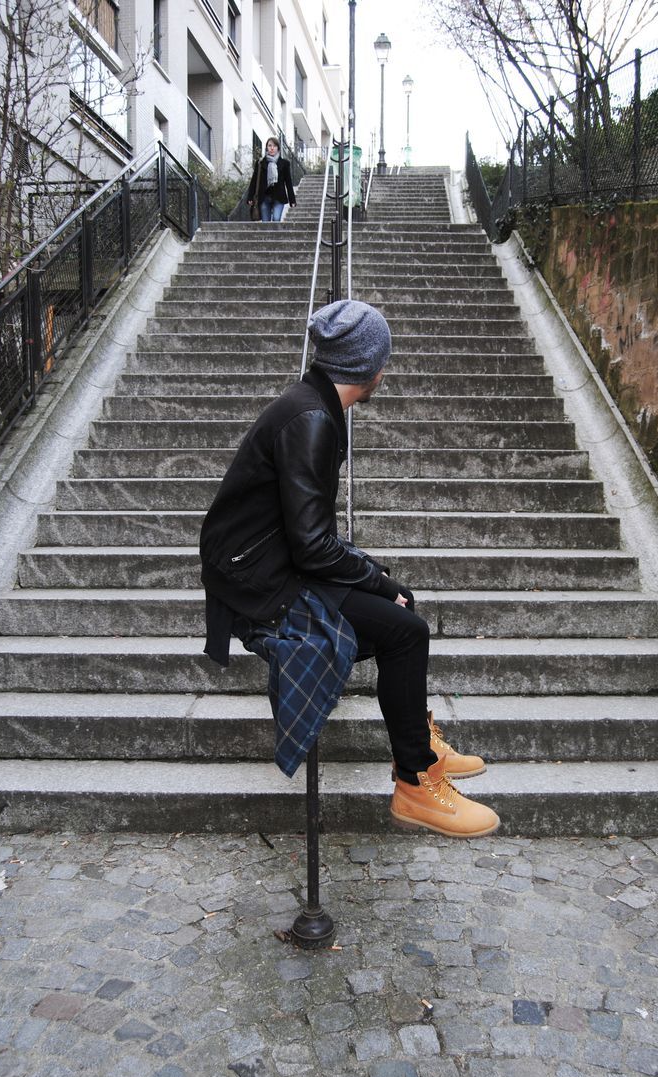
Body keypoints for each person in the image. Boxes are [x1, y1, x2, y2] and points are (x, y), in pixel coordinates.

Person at [199, 299, 499, 838]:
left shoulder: (311, 406)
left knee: (399, 611)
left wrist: (379, 579)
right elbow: (314, 548)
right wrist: (377, 579)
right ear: (369, 367)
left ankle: (419, 747)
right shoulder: (312, 419)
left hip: (269, 560)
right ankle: (414, 783)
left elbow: (310, 536)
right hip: (260, 579)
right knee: (406, 629)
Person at [246, 137, 297, 223]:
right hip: (264, 197)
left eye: (274, 146)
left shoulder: (284, 163)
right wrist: (250, 197)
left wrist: (292, 200)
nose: (272, 148)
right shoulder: (260, 163)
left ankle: (276, 236)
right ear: (266, 148)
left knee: (276, 219)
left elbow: (288, 182)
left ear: (278, 148)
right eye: (270, 146)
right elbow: (254, 181)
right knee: (265, 222)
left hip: (279, 197)